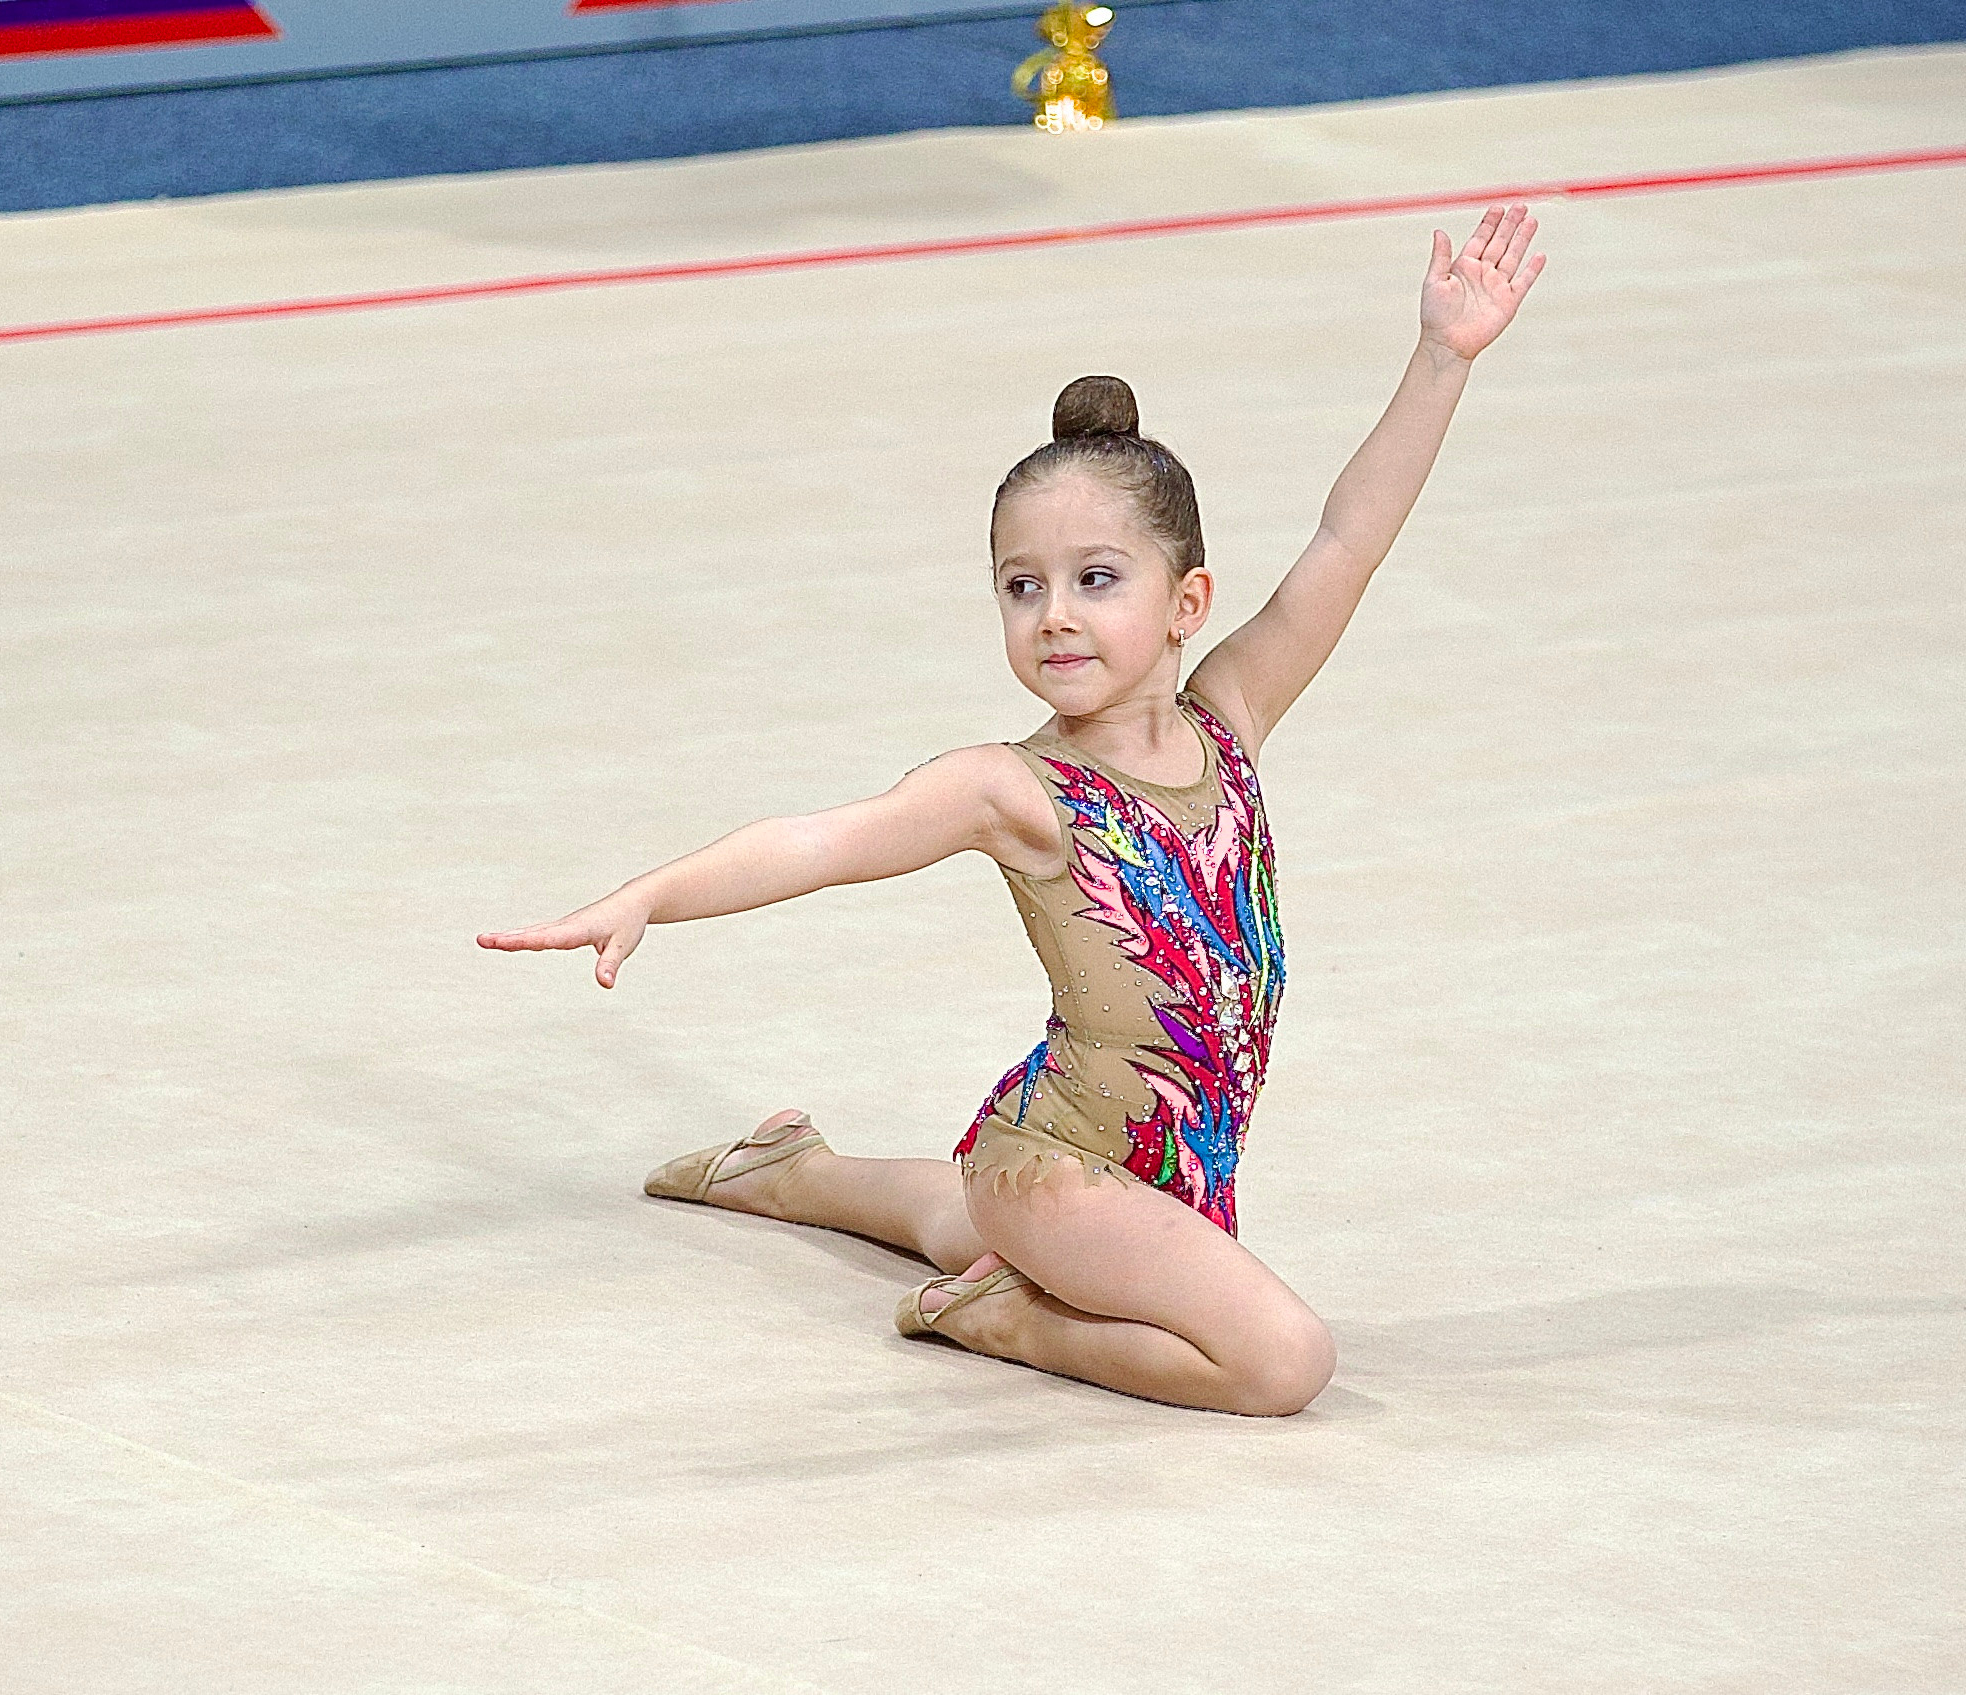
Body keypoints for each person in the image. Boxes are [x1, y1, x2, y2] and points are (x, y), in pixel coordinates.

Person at [479, 206, 1546, 1416]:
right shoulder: (1019, 790)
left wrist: (1441, 358)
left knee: (965, 1208)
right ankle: (1000, 1315)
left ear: (1188, 597)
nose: (1054, 615)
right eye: (1021, 585)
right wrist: (649, 898)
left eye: (1097, 580)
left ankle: (795, 1173)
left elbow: (1349, 539)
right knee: (1281, 1361)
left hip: (1141, 1169)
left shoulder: (1230, 716)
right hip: (1058, 1167)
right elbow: (825, 840)